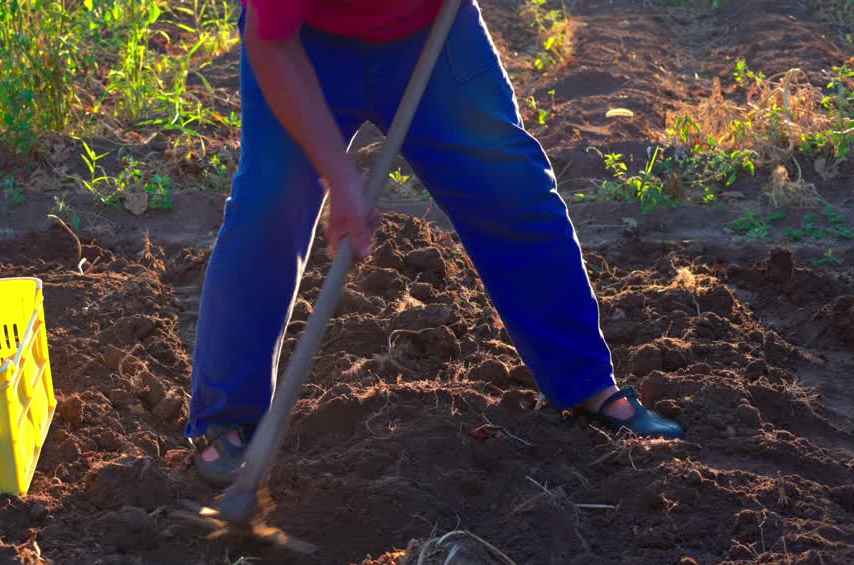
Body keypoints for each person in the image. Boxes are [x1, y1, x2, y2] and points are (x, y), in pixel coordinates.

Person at [184, 0, 684, 487]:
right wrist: (340, 179)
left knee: (513, 192)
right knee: (266, 210)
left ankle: (586, 384)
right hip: (303, 46)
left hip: (432, 30)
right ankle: (228, 418)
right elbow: (271, 42)